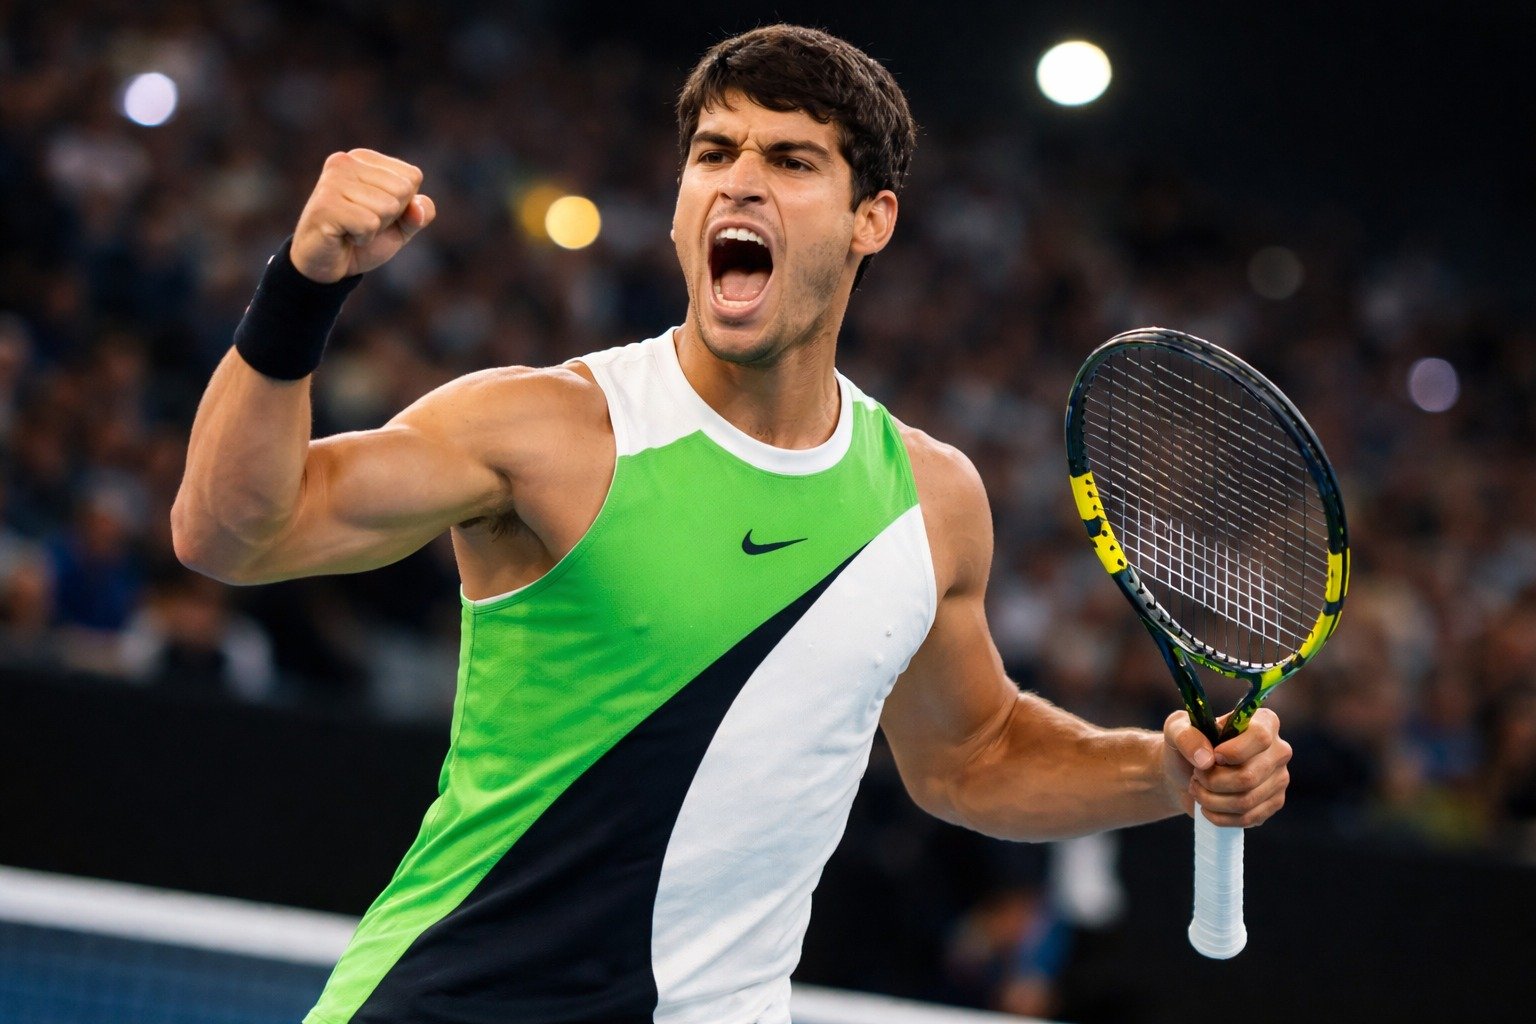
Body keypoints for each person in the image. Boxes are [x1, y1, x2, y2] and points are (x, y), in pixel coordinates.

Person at [172, 24, 1292, 1024]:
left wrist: (1165, 771)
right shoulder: (548, 429)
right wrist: (301, 288)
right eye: (714, 154)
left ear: (872, 219)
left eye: (790, 160)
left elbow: (973, 756)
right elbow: (232, 534)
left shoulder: (932, 498)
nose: (737, 184)